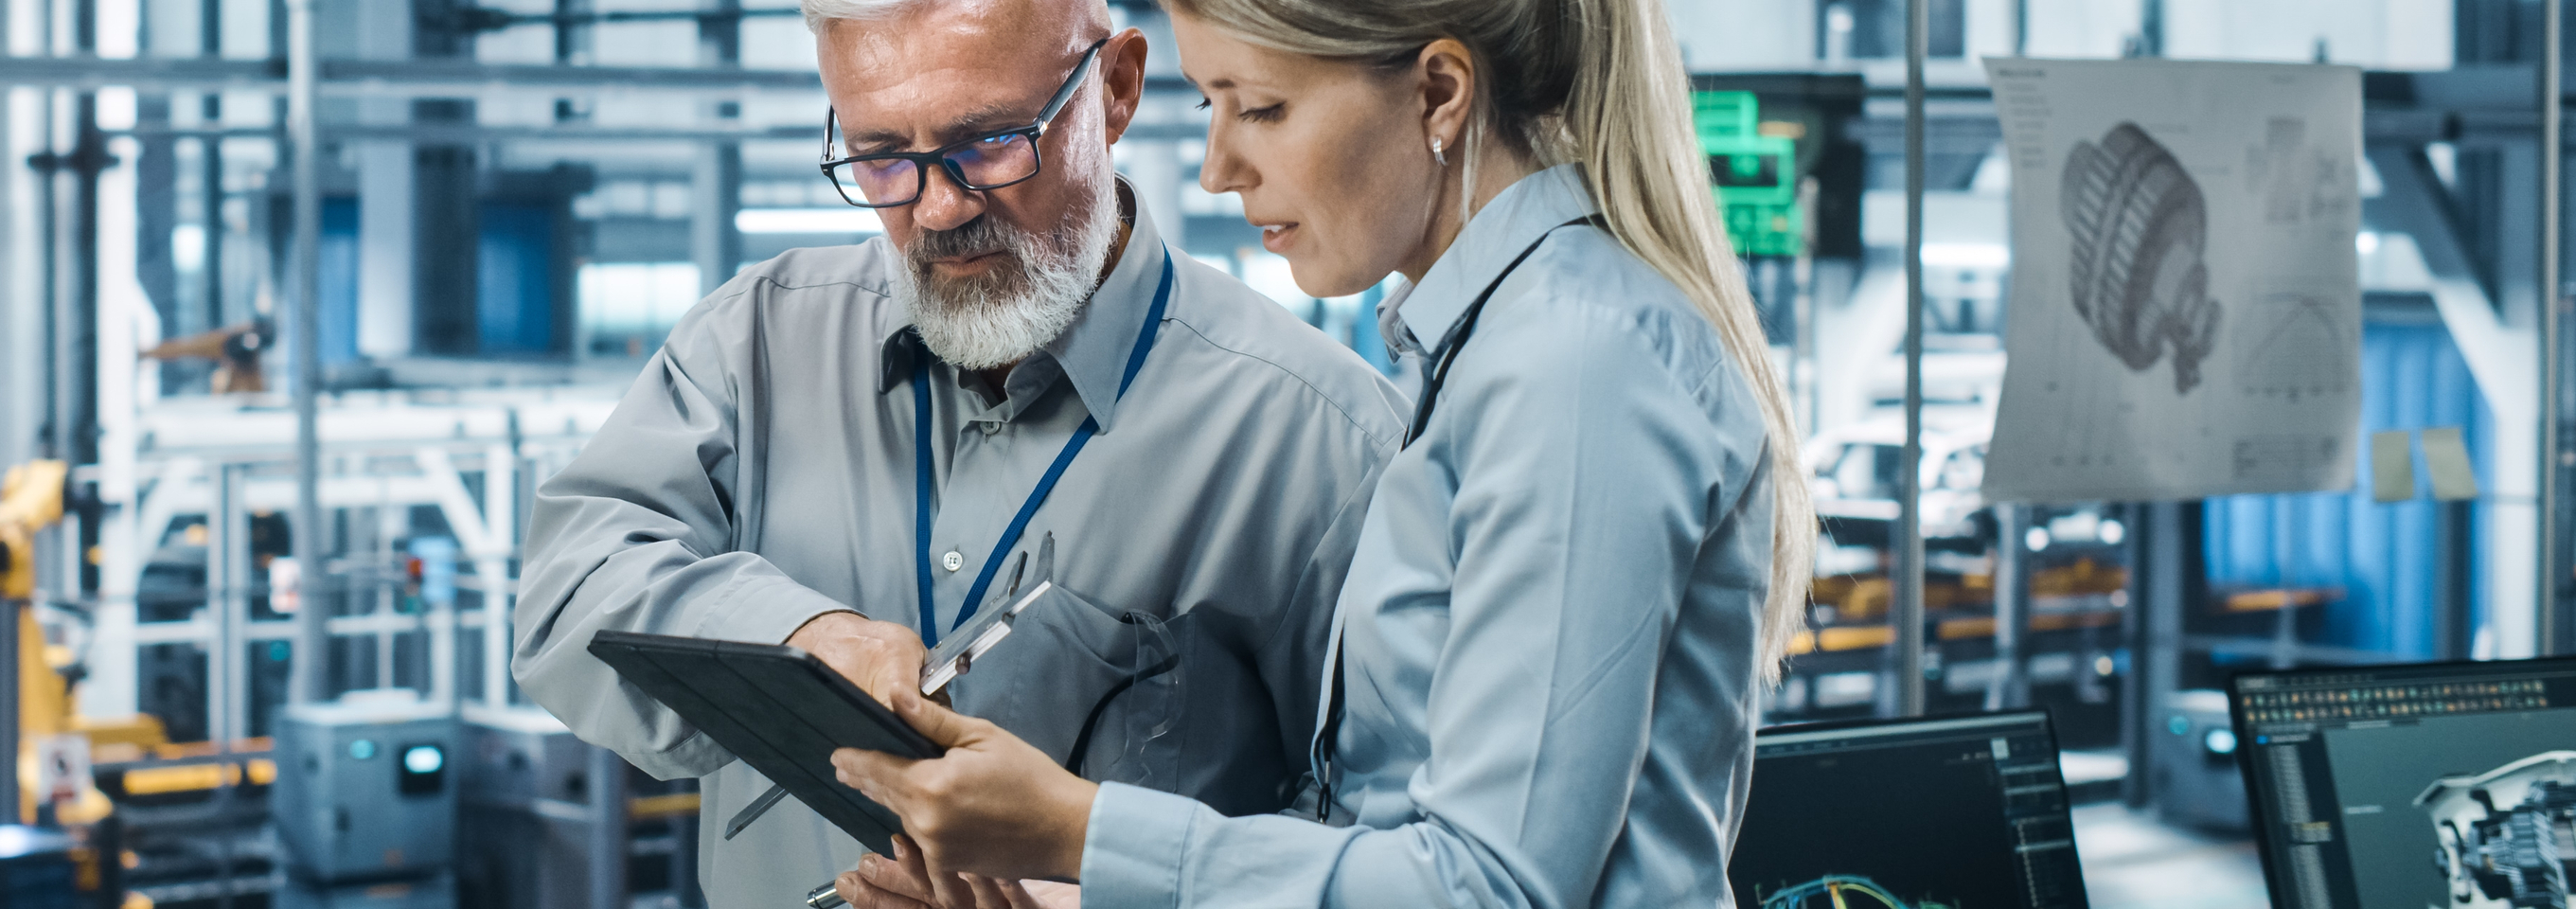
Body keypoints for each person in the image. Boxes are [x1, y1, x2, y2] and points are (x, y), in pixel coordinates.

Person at [825, 0, 1815, 904]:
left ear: (1439, 93)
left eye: (1259, 109)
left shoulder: (1574, 360)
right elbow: (1387, 830)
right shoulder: (1495, 348)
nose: (1219, 168)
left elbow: (1491, 886)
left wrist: (1081, 832)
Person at [505, 0, 1411, 901]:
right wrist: (804, 642)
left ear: (1117, 88)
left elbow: (1400, 845)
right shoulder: (755, 343)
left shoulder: (1325, 440)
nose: (938, 208)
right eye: (881, 155)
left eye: (989, 143)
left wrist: (1105, 889)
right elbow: (568, 590)